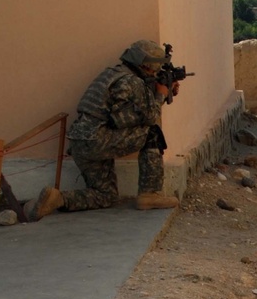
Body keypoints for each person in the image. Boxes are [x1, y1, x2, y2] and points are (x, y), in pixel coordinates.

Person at [24, 40, 181, 220]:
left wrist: (161, 92)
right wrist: (161, 94)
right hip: (99, 139)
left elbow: (126, 111)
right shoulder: (132, 82)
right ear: (146, 65)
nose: (155, 72)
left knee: (106, 195)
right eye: (155, 68)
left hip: (81, 142)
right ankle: (150, 194)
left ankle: (58, 199)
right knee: (151, 132)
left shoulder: (111, 74)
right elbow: (147, 117)